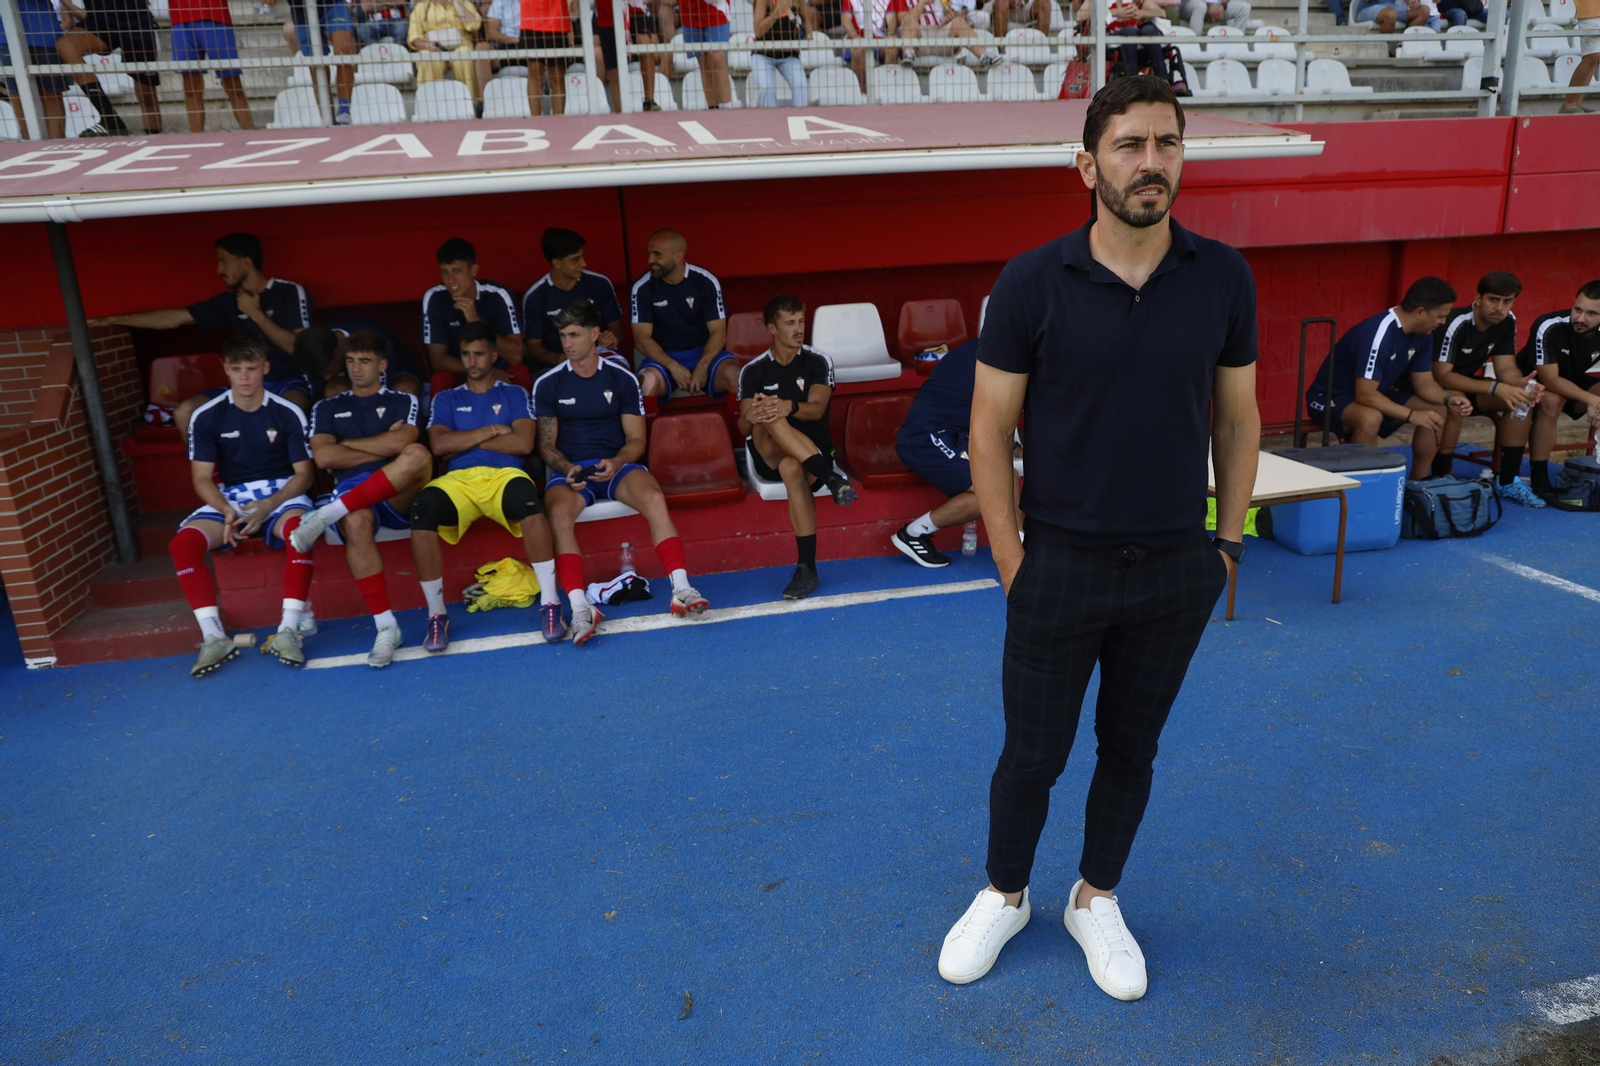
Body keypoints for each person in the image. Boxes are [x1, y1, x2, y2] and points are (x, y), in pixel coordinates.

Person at [938, 75, 1261, 1002]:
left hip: (1174, 567)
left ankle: (1095, 897)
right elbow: (988, 432)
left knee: (1131, 749)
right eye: (1129, 144)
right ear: (1088, 164)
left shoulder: (1224, 276)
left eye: (1167, 143)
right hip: (1060, 566)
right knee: (1031, 754)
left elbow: (1238, 423)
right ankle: (1005, 895)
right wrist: (1011, 561)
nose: (1150, 162)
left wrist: (1227, 545)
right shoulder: (1033, 280)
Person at [535, 301, 711, 645]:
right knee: (556, 513)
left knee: (654, 496)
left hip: (617, 465)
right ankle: (580, 606)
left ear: (594, 334)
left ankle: (681, 587)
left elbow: (636, 440)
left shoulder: (621, 377)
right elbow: (545, 445)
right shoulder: (549, 383)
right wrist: (565, 466)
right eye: (562, 335)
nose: (567, 342)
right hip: (572, 472)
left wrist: (616, 462)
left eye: (574, 334)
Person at [408, 323, 565, 652]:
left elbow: (523, 443)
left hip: (504, 475)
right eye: (465, 355)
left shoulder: (513, 393)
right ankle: (437, 616)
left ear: (494, 355)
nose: (472, 362)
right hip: (459, 481)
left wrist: (462, 441)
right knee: (422, 509)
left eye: (479, 354)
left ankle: (551, 605)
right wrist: (493, 430)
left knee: (529, 505)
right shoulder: (446, 398)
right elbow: (438, 445)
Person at [171, 336, 317, 676]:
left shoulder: (286, 411)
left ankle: (288, 630)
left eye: (251, 369)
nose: (244, 378)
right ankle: (213, 637)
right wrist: (225, 509)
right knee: (183, 544)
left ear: (265, 368)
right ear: (226, 370)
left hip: (282, 491)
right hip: (232, 495)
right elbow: (201, 479)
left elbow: (305, 475)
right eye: (236, 370)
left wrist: (269, 505)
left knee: (299, 532)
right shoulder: (206, 415)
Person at [293, 331, 433, 667]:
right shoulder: (327, 407)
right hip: (356, 493)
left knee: (416, 454)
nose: (357, 368)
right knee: (355, 519)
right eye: (351, 361)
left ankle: (328, 514)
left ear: (382, 365)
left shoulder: (403, 400)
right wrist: (383, 442)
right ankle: (386, 626)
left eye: (365, 361)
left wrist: (348, 444)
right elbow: (324, 458)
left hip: (397, 492)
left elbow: (403, 446)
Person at [90, 234, 314, 438]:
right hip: (243, 385)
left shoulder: (288, 292)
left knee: (286, 409)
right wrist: (113, 320)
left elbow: (298, 348)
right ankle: (213, 477)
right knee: (185, 411)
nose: (218, 270)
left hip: (289, 382)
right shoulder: (228, 301)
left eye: (223, 261)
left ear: (246, 262)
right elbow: (175, 318)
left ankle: (287, 478)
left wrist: (256, 314)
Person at [737, 294, 855, 601]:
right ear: (772, 328)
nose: (798, 328)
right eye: (790, 323)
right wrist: (755, 413)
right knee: (769, 415)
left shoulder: (817, 361)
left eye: (801, 321)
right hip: (769, 453)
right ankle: (831, 479)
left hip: (811, 450)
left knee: (792, 466)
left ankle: (807, 568)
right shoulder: (753, 370)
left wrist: (788, 406)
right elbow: (742, 427)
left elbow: (816, 409)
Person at [1304, 277, 1473, 479]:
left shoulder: (1424, 334)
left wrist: (1448, 399)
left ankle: (1419, 484)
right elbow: (1365, 395)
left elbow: (1424, 382)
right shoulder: (1380, 333)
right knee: (1370, 418)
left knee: (1436, 410)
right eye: (1440, 316)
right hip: (1328, 398)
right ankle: (1364, 486)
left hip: (1374, 395)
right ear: (1420, 312)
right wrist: (1412, 415)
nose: (1443, 322)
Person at [890, 339, 1022, 567]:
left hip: (954, 436)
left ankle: (1020, 547)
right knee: (993, 494)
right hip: (924, 436)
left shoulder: (1000, 351)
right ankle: (913, 534)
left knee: (1006, 477)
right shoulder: (993, 356)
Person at [1429, 270, 1547, 507]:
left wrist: (1518, 384)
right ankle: (1441, 476)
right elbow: (1442, 375)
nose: (1500, 308)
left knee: (1519, 399)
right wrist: (1496, 388)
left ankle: (1507, 480)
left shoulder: (1507, 320)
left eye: (1507, 301)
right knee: (1458, 400)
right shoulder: (1456, 322)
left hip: (1468, 383)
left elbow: (1505, 367)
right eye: (1494, 300)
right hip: (1430, 386)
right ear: (1478, 298)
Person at [629, 229, 739, 402]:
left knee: (736, 376)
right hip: (664, 359)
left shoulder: (705, 280)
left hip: (705, 355)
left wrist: (703, 365)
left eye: (657, 254)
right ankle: (650, 429)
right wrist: (673, 366)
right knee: (647, 383)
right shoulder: (643, 287)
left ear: (678, 256)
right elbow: (641, 338)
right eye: (649, 253)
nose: (650, 260)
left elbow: (718, 332)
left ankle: (741, 429)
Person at [1521, 281, 1600, 497]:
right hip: (1532, 380)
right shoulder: (1550, 325)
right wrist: (1592, 400)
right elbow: (1550, 379)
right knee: (1553, 401)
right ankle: (1540, 477)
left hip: (1571, 378)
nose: (1581, 318)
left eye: (1592, 313)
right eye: (1578, 309)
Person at [422, 237, 527, 395]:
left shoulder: (496, 294)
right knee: (441, 379)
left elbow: (516, 355)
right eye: (445, 272)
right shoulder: (435, 297)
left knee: (519, 372)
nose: (450, 280)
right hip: (460, 367)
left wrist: (475, 320)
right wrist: (479, 370)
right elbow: (438, 360)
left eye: (457, 271)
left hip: (497, 366)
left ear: (473, 270)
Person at [54, 0, 163, 136]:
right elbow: (77, 16)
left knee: (146, 91)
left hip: (136, 21)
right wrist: (67, 4)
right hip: (100, 21)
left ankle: (155, 136)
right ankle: (110, 120)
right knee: (66, 46)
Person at [523, 228, 626, 367]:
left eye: (582, 256)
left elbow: (616, 327)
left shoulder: (599, 284)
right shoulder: (535, 296)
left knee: (619, 376)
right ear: (557, 263)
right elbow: (533, 347)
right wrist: (560, 358)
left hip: (600, 355)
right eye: (575, 259)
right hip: (558, 363)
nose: (583, 263)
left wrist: (612, 338)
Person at [267, 0, 359, 124]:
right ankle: (328, 117)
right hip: (301, 8)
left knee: (344, 51)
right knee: (316, 64)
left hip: (332, 3)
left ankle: (344, 110)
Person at [169, 0, 256, 131]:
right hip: (181, 17)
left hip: (215, 15)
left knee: (232, 83)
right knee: (191, 87)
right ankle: (197, 139)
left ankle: (250, 132)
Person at [294, 319, 424, 399]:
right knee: (334, 391)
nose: (326, 378)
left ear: (338, 352)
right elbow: (317, 395)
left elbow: (380, 392)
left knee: (404, 391)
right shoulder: (314, 347)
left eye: (328, 371)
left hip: (397, 371)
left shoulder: (373, 339)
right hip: (347, 379)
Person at [1, 0, 66, 140]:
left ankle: (58, 144)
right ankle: (30, 142)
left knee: (51, 92)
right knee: (17, 93)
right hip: (5, 34)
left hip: (43, 30)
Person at [408, 0, 481, 95]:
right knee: (427, 58)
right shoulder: (421, 7)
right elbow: (414, 35)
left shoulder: (464, 3)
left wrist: (456, 3)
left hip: (460, 44)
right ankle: (428, 101)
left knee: (464, 56)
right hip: (432, 47)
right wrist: (427, 45)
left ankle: (471, 101)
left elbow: (474, 25)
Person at [751, 0, 810, 106]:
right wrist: (777, 11)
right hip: (763, 53)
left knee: (801, 86)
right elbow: (758, 31)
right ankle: (769, 119)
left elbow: (806, 20)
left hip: (789, 53)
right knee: (766, 88)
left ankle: (799, 118)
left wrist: (808, 36)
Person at [519, 0, 573, 115]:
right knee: (534, 71)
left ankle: (559, 121)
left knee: (557, 74)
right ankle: (536, 120)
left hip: (557, 17)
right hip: (530, 17)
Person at [679, 0, 733, 108]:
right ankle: (712, 107)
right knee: (703, 61)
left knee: (717, 57)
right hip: (689, 10)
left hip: (715, 8)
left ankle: (727, 107)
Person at [1560, 0, 1599, 114]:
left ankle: (1576, 103)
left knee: (1594, 57)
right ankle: (1570, 103)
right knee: (1592, 55)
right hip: (1591, 10)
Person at [475, 0, 521, 96]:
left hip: (532, 44)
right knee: (482, 48)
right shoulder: (501, 2)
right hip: (506, 45)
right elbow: (490, 33)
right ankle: (485, 101)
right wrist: (512, 40)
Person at [624, 0, 664, 110]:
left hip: (635, 10)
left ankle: (649, 100)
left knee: (647, 42)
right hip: (612, 13)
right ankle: (621, 105)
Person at [1176, 0, 1250, 34]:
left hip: (1217, 6)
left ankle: (1236, 42)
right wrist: (1209, 6)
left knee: (1244, 8)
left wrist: (1222, 6)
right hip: (1191, 5)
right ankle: (1195, 44)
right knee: (1200, 6)